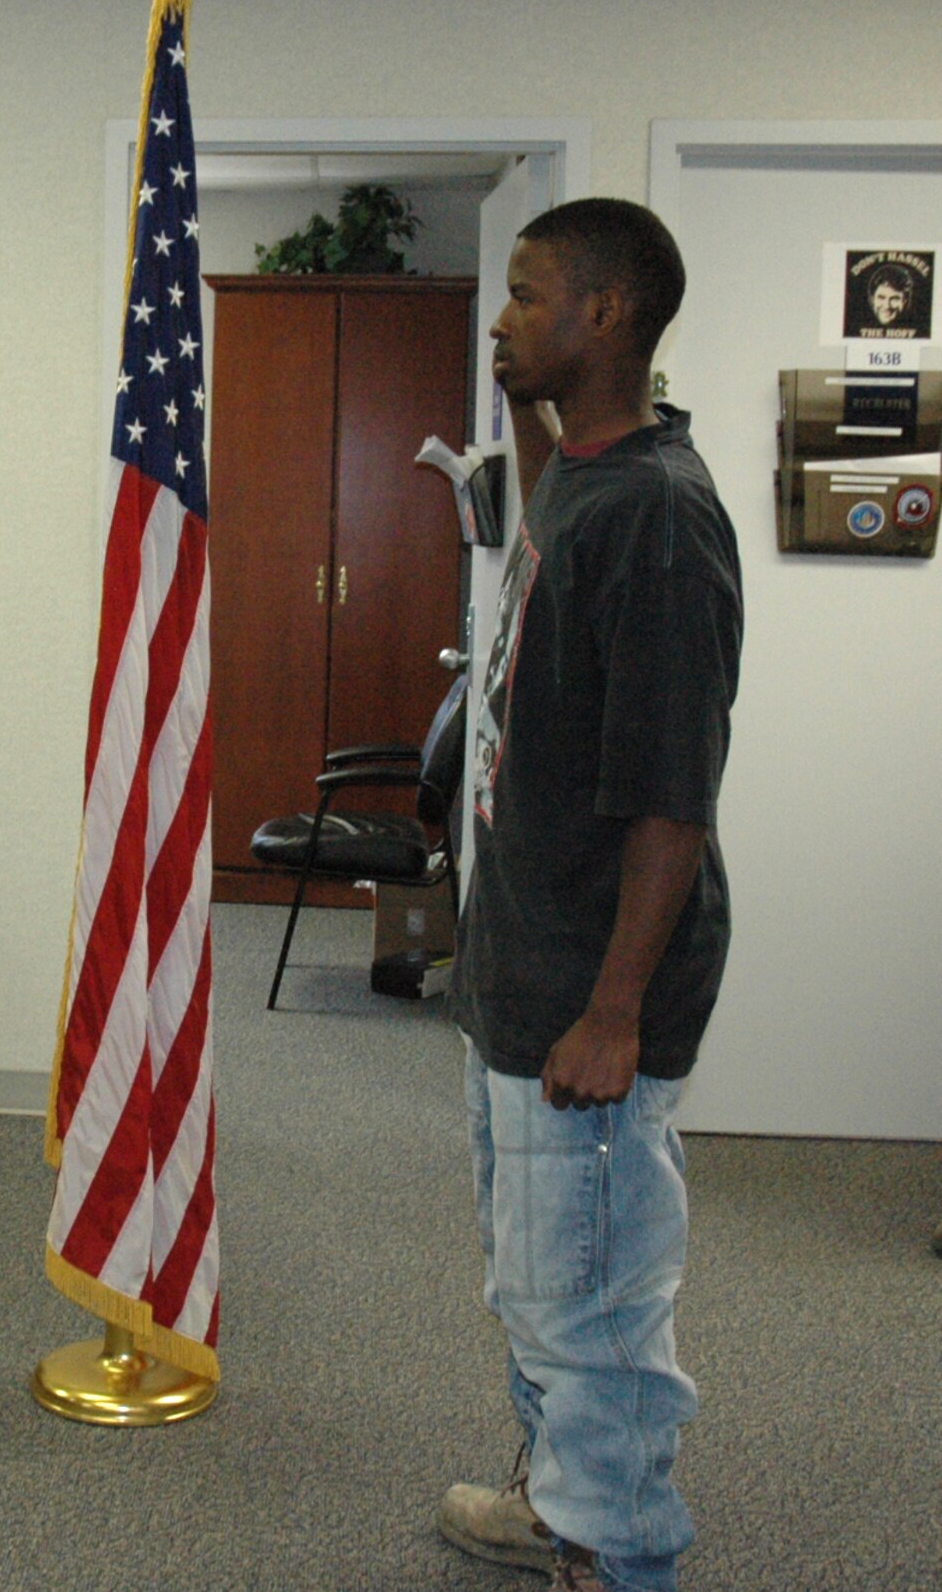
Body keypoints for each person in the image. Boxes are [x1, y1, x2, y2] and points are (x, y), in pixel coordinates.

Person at [436, 199, 743, 1592]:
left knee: (599, 1305)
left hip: (591, 991)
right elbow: (549, 491)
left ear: (604, 315)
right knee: (533, 1280)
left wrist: (612, 1011)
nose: (500, 317)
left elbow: (674, 796)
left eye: (525, 294)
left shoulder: (664, 525)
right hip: (527, 960)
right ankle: (561, 1496)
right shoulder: (585, 470)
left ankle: (616, 1549)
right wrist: (522, 418)